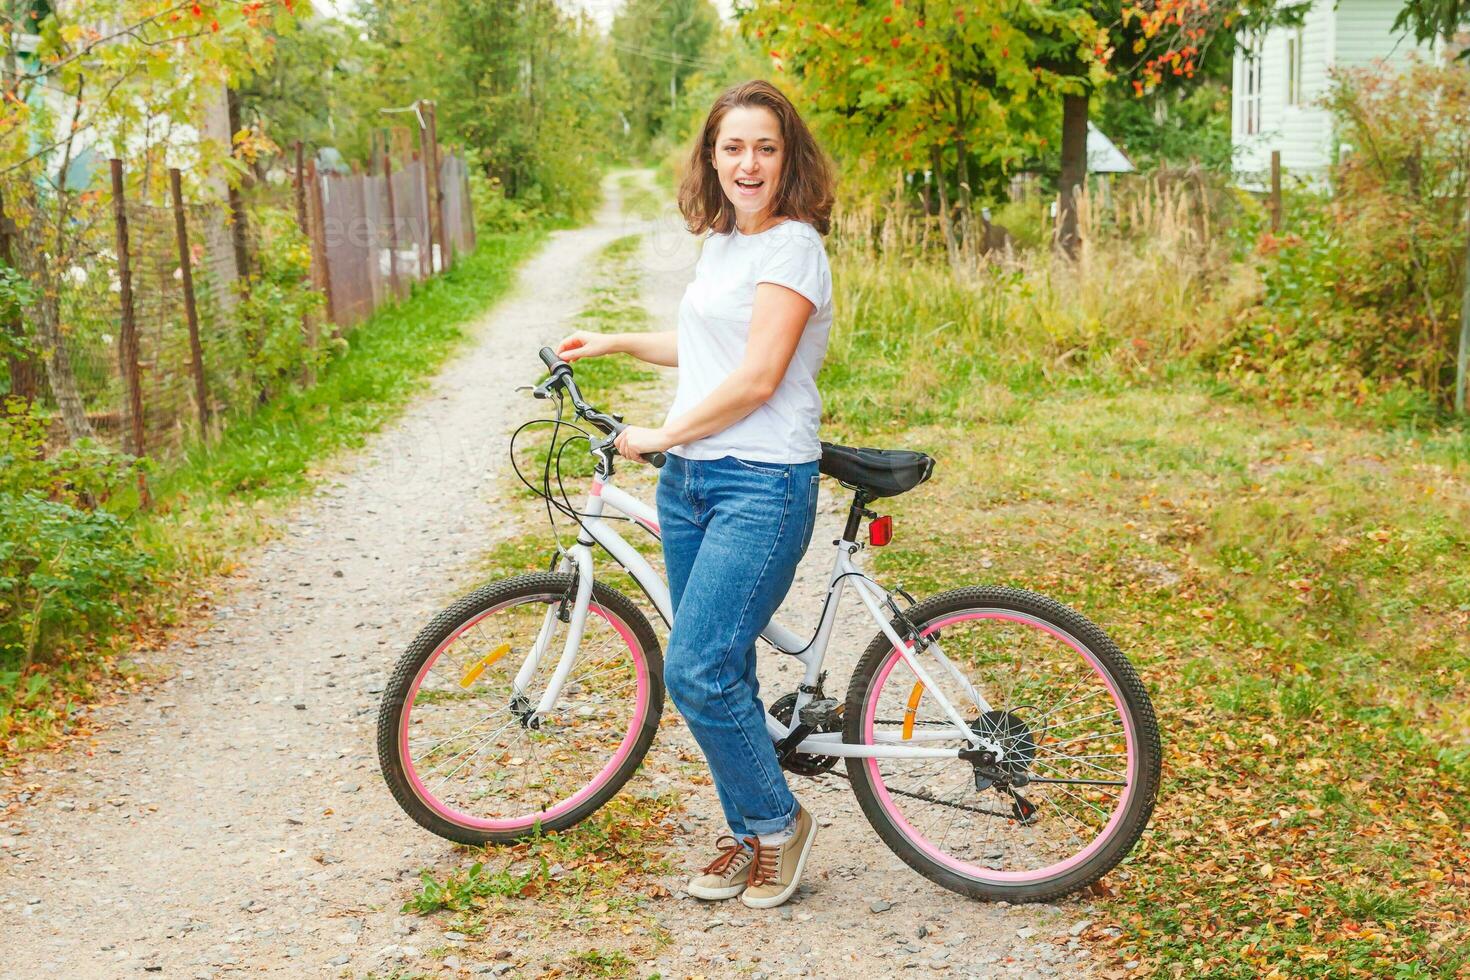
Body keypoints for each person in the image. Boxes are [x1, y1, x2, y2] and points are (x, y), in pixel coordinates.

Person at [554, 79, 836, 909]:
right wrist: (614, 343)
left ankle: (780, 827)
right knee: (722, 665)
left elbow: (755, 379)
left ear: (789, 159)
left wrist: (659, 435)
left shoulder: (794, 247)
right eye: (733, 148)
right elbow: (708, 344)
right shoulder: (726, 241)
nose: (747, 163)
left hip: (760, 482)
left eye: (765, 148)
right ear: (711, 159)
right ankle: (750, 832)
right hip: (692, 486)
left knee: (698, 667)